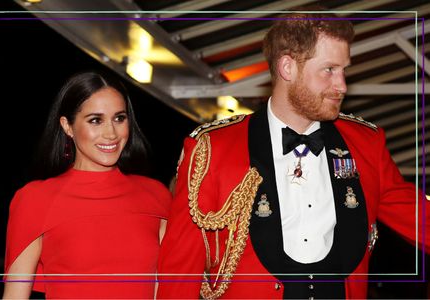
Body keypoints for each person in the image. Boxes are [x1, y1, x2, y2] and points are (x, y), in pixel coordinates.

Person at [156, 11, 430, 299]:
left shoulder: (366, 144)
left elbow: (418, 218)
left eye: (344, 70)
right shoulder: (213, 148)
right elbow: (180, 272)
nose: (342, 85)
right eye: (329, 70)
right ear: (288, 67)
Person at [3, 71, 172, 299]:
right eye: (96, 120)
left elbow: (165, 290)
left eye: (119, 118)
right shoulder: (35, 199)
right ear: (67, 126)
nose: (111, 133)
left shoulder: (155, 195)